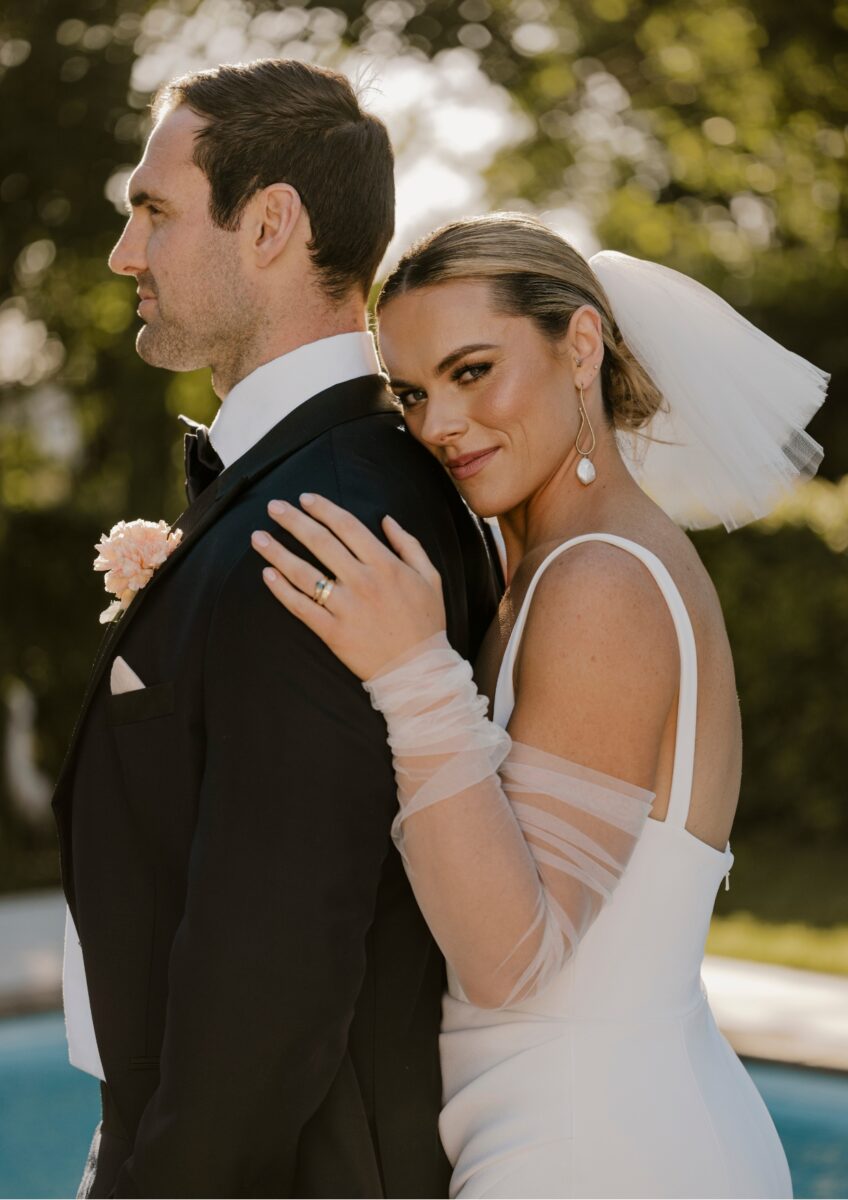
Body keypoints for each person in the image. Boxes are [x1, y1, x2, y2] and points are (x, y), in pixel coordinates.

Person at [253, 212, 828, 1198]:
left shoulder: (601, 581)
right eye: (413, 392)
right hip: (578, 1128)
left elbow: (511, 960)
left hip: (601, 1153)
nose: (438, 424)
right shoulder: (553, 567)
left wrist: (411, 673)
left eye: (473, 371)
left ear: (581, 345)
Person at [52, 61, 499, 1198]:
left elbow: (274, 964)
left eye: (154, 211)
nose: (125, 253)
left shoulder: (322, 520)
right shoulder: (326, 479)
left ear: (268, 225)